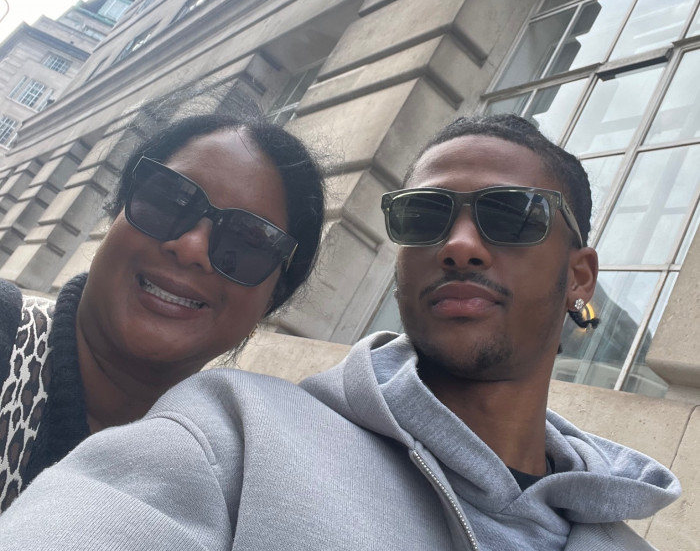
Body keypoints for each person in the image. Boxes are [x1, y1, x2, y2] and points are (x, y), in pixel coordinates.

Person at [0, 114, 679, 550]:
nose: (460, 245)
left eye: (512, 215)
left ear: (580, 278)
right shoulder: (233, 433)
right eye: (424, 216)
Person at [0, 112, 325, 512]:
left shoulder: (232, 493)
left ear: (270, 301)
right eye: (170, 200)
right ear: (116, 213)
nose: (190, 248)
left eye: (248, 241)